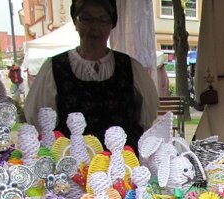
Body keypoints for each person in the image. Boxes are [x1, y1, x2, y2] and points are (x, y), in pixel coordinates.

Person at [24, 0, 158, 151]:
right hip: (73, 161)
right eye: (86, 19)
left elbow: (148, 118)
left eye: (103, 20)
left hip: (123, 162)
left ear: (112, 24)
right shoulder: (54, 68)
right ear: (75, 22)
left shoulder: (131, 67)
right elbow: (39, 121)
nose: (95, 27)